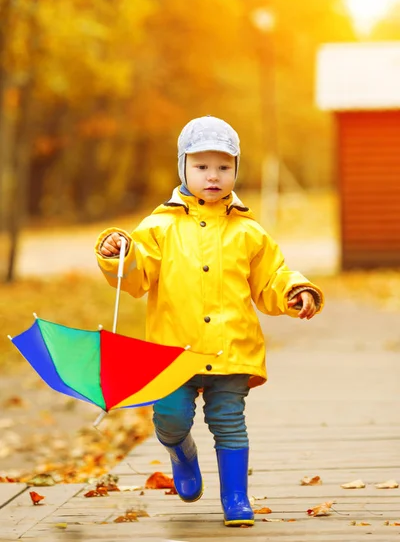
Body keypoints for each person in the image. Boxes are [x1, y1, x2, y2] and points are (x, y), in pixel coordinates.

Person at [95, 115, 323, 527]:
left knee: (228, 421)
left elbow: (271, 276)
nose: (213, 176)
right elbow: (137, 275)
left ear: (236, 168)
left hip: (231, 347)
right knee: (170, 415)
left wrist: (294, 291)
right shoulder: (158, 227)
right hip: (173, 352)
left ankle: (235, 497)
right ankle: (181, 451)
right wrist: (117, 254)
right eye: (201, 166)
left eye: (224, 166)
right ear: (182, 166)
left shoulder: (248, 232)